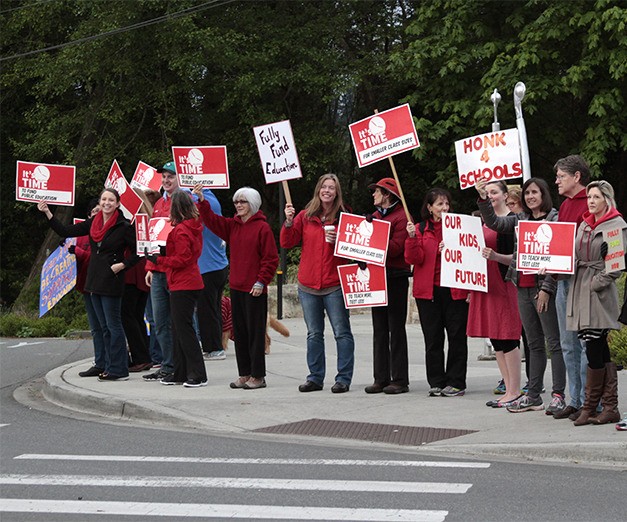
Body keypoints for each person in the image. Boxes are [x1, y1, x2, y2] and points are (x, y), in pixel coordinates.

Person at [476, 177, 566, 413]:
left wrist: (547, 288)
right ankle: (533, 395)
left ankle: (558, 394)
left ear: (544, 194)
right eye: (527, 193)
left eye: (535, 192)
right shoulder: (519, 219)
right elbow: (494, 222)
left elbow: (558, 258)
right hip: (521, 287)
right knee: (534, 345)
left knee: (553, 343)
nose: (530, 197)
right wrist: (484, 199)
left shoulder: (554, 218)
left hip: (544, 289)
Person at [38, 188, 138, 381]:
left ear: (117, 204)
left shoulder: (124, 226)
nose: (107, 203)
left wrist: (122, 265)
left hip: (111, 280)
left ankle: (119, 368)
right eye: (104, 200)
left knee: (113, 325)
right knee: (103, 326)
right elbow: (66, 231)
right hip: (93, 280)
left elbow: (138, 252)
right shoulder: (94, 223)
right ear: (99, 203)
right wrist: (48, 213)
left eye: (111, 200)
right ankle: (108, 366)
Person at [194, 184, 278, 390]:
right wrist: (203, 202)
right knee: (239, 333)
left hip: (255, 289)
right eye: (237, 202)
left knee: (255, 333)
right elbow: (213, 222)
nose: (238, 205)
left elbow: (270, 258)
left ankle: (258, 376)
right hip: (237, 287)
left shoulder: (262, 228)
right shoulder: (233, 225)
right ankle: (245, 373)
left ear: (253, 204)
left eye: (243, 202)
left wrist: (261, 281)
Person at [281, 174, 355, 393]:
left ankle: (343, 378)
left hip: (334, 284)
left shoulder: (345, 216)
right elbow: (287, 242)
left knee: (342, 332)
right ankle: (315, 377)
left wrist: (339, 241)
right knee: (314, 333)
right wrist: (287, 221)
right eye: (324, 186)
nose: (327, 191)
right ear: (318, 190)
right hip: (308, 285)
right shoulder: (305, 216)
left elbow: (355, 247)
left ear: (337, 192)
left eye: (332, 187)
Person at [567, 180, 626, 425]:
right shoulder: (584, 224)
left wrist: (595, 283)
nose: (591, 201)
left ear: (607, 200)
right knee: (596, 344)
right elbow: (573, 253)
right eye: (589, 197)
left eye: (596, 197)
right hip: (581, 288)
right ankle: (605, 406)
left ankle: (592, 406)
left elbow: (615, 267)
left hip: (598, 293)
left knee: (593, 343)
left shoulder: (615, 225)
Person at [405, 188, 469, 397]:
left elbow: (469, 252)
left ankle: (456, 381)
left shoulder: (459, 227)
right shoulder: (420, 228)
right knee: (433, 339)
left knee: (457, 336)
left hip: (454, 289)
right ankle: (436, 381)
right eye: (440, 204)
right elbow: (413, 259)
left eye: (447, 204)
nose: (444, 208)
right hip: (428, 291)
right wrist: (412, 238)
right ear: (430, 207)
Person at [467, 181, 522, 407]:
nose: (490, 196)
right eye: (487, 192)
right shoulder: (482, 223)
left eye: (494, 192)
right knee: (496, 338)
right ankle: (508, 389)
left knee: (508, 336)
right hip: (485, 285)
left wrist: (496, 257)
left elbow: (519, 257)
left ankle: (515, 390)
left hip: (504, 283)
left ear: (505, 195)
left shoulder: (512, 222)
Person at [146, 190, 207, 387]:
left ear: (175, 208)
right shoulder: (193, 226)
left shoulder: (181, 230)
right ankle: (181, 373)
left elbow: (183, 258)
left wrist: (159, 259)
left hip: (183, 283)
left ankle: (197, 374)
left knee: (184, 330)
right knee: (179, 329)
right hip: (188, 281)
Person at [552, 155, 591, 420]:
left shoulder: (591, 201)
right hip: (563, 279)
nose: (556, 181)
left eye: (561, 176)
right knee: (568, 344)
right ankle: (575, 399)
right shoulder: (565, 205)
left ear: (576, 176)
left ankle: (591, 401)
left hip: (582, 281)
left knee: (585, 343)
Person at [364, 178, 411, 394]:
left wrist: (372, 235)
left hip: (396, 276)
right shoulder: (373, 217)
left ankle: (399, 379)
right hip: (377, 275)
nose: (373, 195)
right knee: (379, 329)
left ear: (387, 195)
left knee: (396, 328)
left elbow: (395, 249)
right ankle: (380, 378)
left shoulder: (402, 217)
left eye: (377, 192)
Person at [143, 162, 179, 382]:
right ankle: (168, 364)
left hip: (174, 270)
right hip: (157, 270)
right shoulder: (158, 203)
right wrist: (149, 267)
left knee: (179, 321)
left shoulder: (184, 201)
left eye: (170, 176)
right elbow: (153, 237)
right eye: (164, 176)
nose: (166, 180)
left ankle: (180, 364)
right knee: (159, 321)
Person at [69, 199, 104, 377]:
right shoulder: (81, 235)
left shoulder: (109, 231)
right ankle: (100, 361)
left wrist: (79, 253)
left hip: (104, 286)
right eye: (93, 213)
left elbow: (96, 258)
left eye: (100, 211)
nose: (97, 215)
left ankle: (111, 361)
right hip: (86, 286)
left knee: (107, 326)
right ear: (88, 216)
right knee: (96, 328)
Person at [195, 188, 229, 361]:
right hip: (215, 264)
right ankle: (214, 346)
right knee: (211, 308)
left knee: (207, 310)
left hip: (208, 266)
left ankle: (214, 348)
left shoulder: (203, 200)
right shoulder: (210, 197)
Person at [122, 189, 153, 373]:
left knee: (128, 315)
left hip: (132, 272)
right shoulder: (147, 219)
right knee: (137, 316)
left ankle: (140, 357)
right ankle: (144, 356)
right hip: (143, 270)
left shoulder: (131, 223)